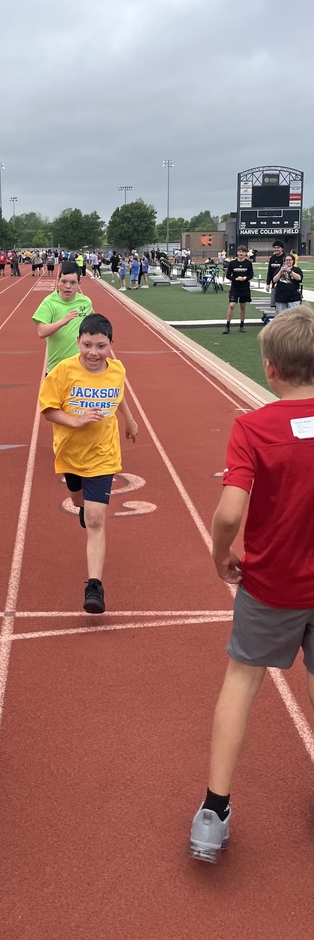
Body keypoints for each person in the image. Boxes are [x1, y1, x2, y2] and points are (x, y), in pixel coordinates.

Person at [190, 306, 314, 863]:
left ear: (269, 368)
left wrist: (220, 558)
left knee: (242, 681)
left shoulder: (253, 428)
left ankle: (214, 812)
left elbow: (228, 513)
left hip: (272, 582)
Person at [38, 313, 138, 613]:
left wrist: (129, 420)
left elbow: (118, 394)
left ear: (111, 345)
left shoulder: (117, 370)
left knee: (96, 520)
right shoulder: (63, 372)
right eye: (87, 345)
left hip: (104, 455)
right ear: (78, 342)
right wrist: (76, 421)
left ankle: (94, 586)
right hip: (70, 453)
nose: (93, 352)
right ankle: (81, 505)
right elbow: (48, 410)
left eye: (101, 346)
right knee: (78, 499)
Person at [32, 261, 93, 374]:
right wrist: (63, 321)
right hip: (56, 370)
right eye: (64, 282)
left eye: (73, 283)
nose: (67, 286)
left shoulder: (85, 302)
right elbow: (41, 332)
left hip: (80, 370)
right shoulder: (49, 302)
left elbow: (94, 323)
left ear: (79, 283)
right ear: (58, 281)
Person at [222, 245, 253, 334]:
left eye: (243, 252)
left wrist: (245, 278)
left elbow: (251, 275)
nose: (241, 253)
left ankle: (242, 325)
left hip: (244, 287)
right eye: (239, 252)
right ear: (237, 253)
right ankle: (227, 326)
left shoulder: (248, 263)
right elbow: (228, 275)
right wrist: (235, 278)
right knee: (232, 305)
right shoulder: (232, 263)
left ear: (245, 253)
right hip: (235, 287)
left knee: (243, 306)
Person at [266, 240, 285, 306]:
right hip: (274, 283)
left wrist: (280, 281)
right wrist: (268, 283)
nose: (276, 249)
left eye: (278, 247)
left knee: (282, 304)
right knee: (274, 304)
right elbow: (270, 271)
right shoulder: (272, 258)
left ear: (282, 248)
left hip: (283, 284)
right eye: (275, 247)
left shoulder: (285, 258)